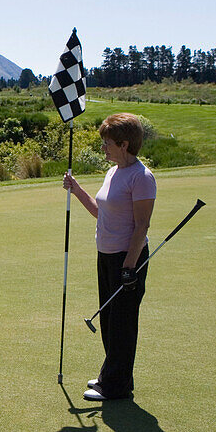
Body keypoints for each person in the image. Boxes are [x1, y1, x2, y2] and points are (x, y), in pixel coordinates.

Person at [62, 113, 156, 401]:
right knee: (109, 319)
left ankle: (116, 386)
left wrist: (129, 267)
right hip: (105, 254)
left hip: (127, 259)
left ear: (124, 144)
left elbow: (142, 226)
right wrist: (76, 190)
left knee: (122, 323)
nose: (103, 148)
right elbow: (101, 211)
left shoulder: (141, 178)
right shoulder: (114, 171)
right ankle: (112, 376)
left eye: (107, 143)